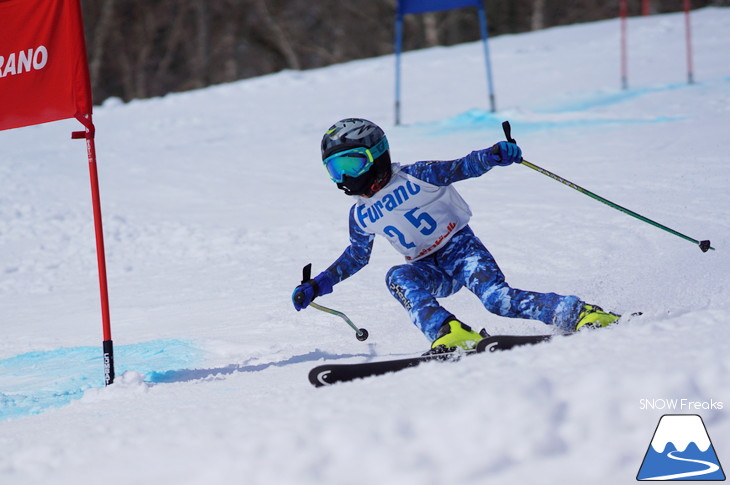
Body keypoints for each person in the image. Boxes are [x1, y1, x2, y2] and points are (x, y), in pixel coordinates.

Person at [292, 118, 620, 352]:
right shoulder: (360, 214)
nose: (346, 177)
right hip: (427, 268)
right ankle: (449, 333)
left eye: (352, 164)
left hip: (460, 249)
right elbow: (356, 256)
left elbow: (461, 166)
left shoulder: (416, 176)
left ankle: (581, 313)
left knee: (496, 300)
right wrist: (318, 284)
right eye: (336, 169)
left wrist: (494, 155)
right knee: (397, 276)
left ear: (377, 155)